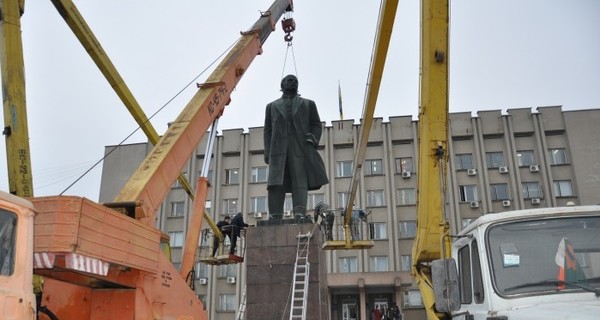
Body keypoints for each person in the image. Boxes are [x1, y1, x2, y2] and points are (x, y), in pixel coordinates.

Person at [263, 74, 329, 221]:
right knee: (275, 182)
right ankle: (275, 215)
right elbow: (267, 130)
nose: (293, 82)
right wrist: (267, 151)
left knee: (299, 181)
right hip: (278, 150)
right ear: (282, 84)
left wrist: (313, 138)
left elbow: (316, 124)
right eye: (289, 80)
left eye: (295, 81)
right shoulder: (271, 106)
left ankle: (299, 213)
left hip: (299, 148)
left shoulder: (308, 104)